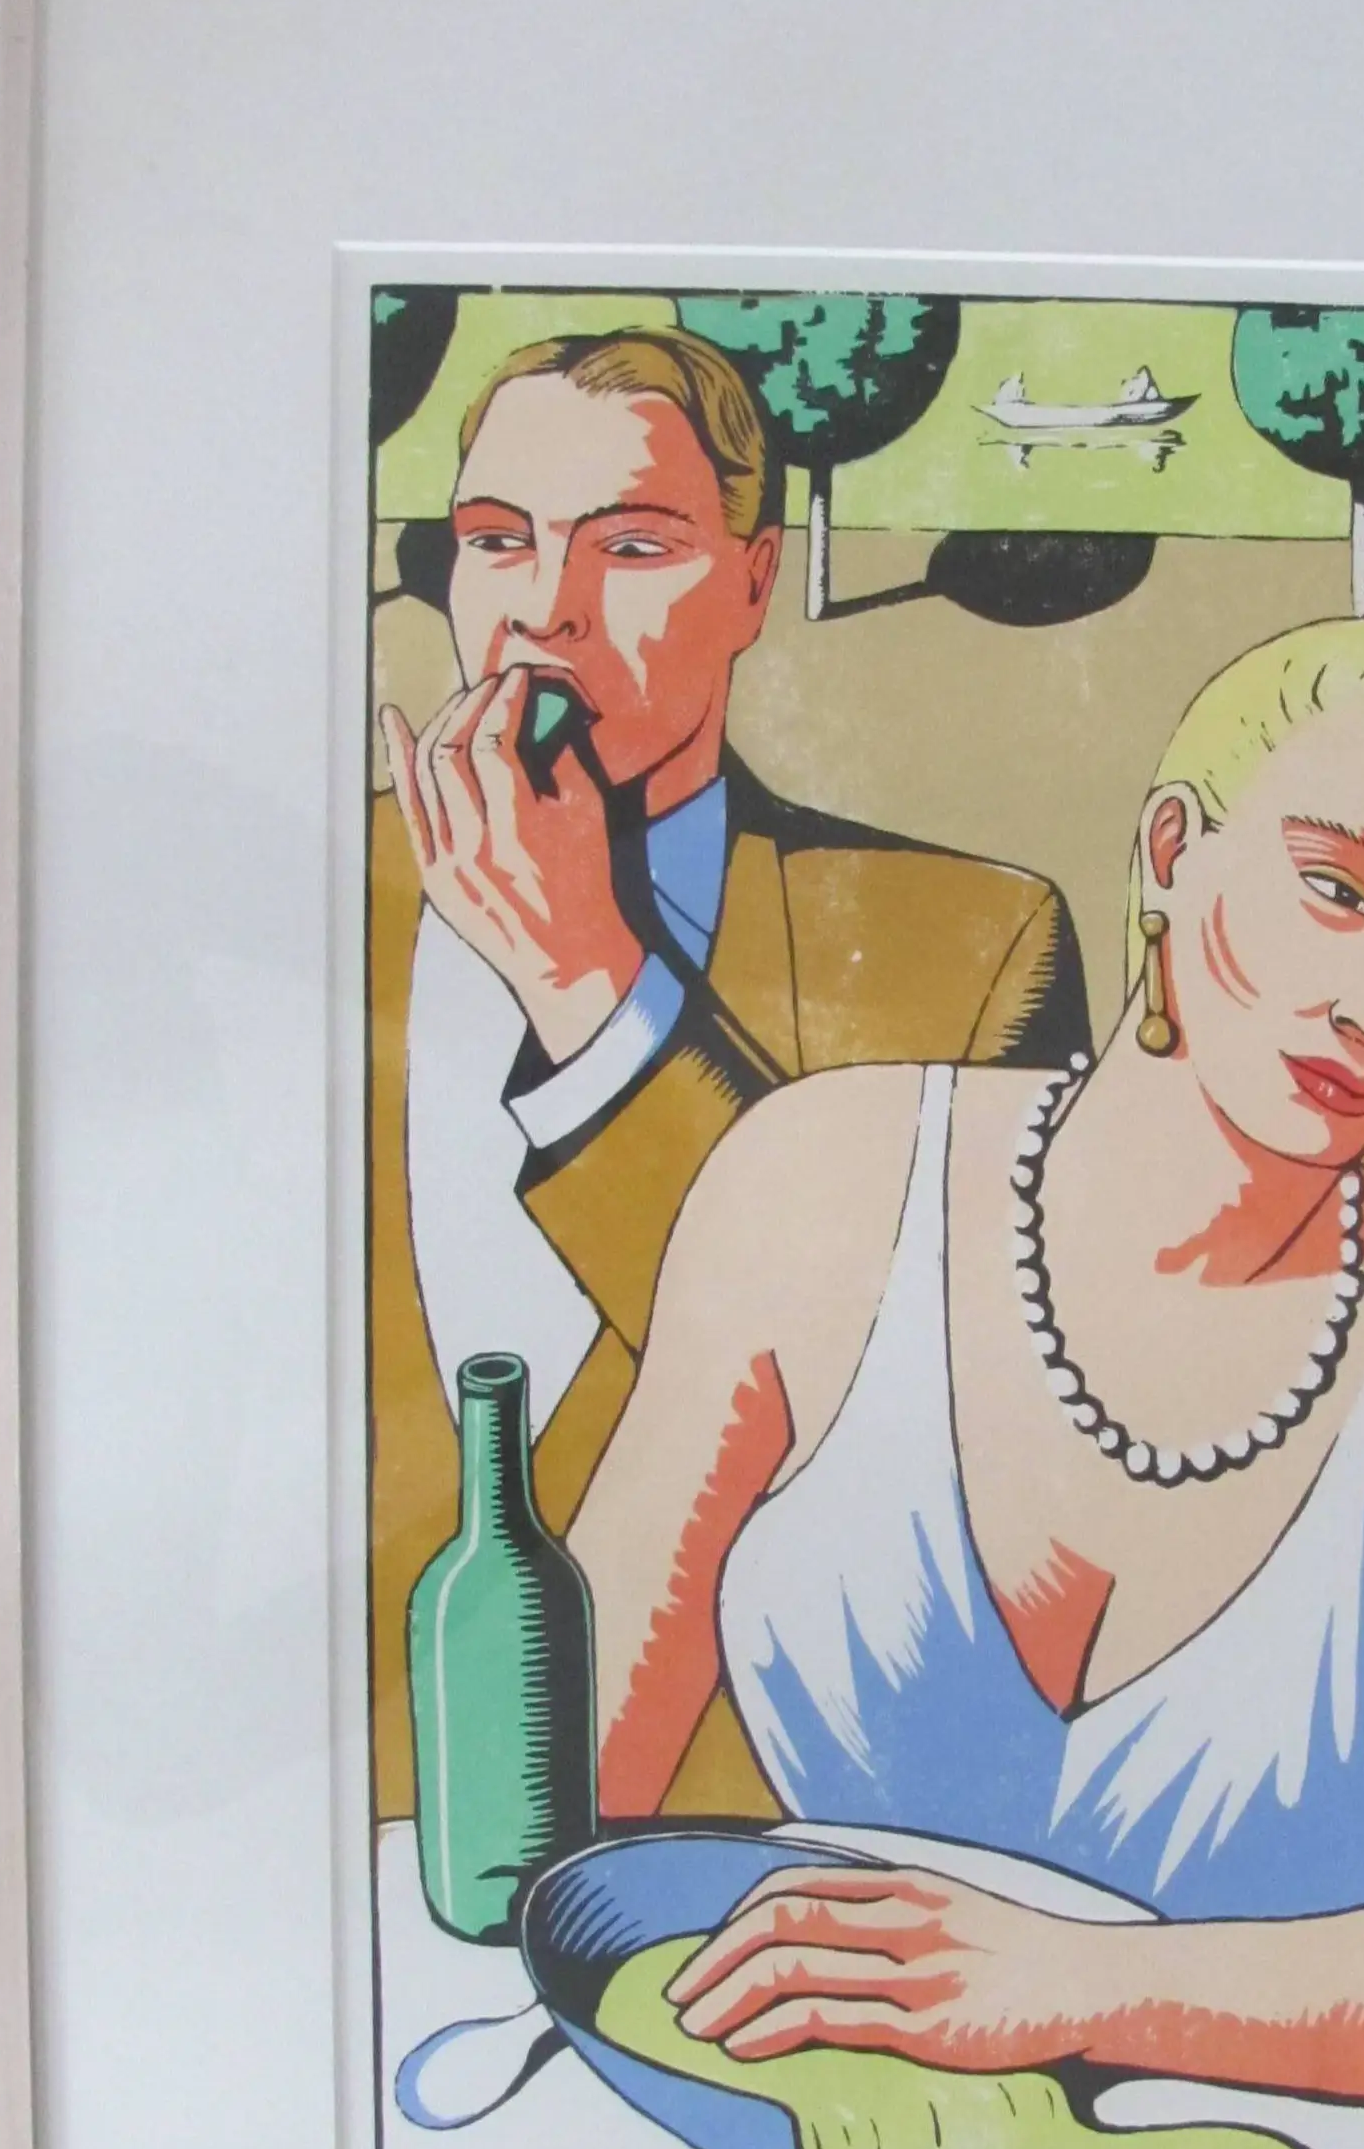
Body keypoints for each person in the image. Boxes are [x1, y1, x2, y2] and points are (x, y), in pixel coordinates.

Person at [568, 618, 1364, 2107]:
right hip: (761, 2125)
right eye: (1338, 891)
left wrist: (1075, 1986)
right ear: (1172, 851)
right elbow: (564, 1785)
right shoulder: (823, 1181)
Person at [370, 329, 1090, 1825]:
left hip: (767, 1843)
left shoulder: (969, 950)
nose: (547, 610)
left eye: (632, 547)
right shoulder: (312, 906)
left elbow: (932, 1450)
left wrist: (589, 984)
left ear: (755, 584)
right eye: (497, 542)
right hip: (347, 1825)